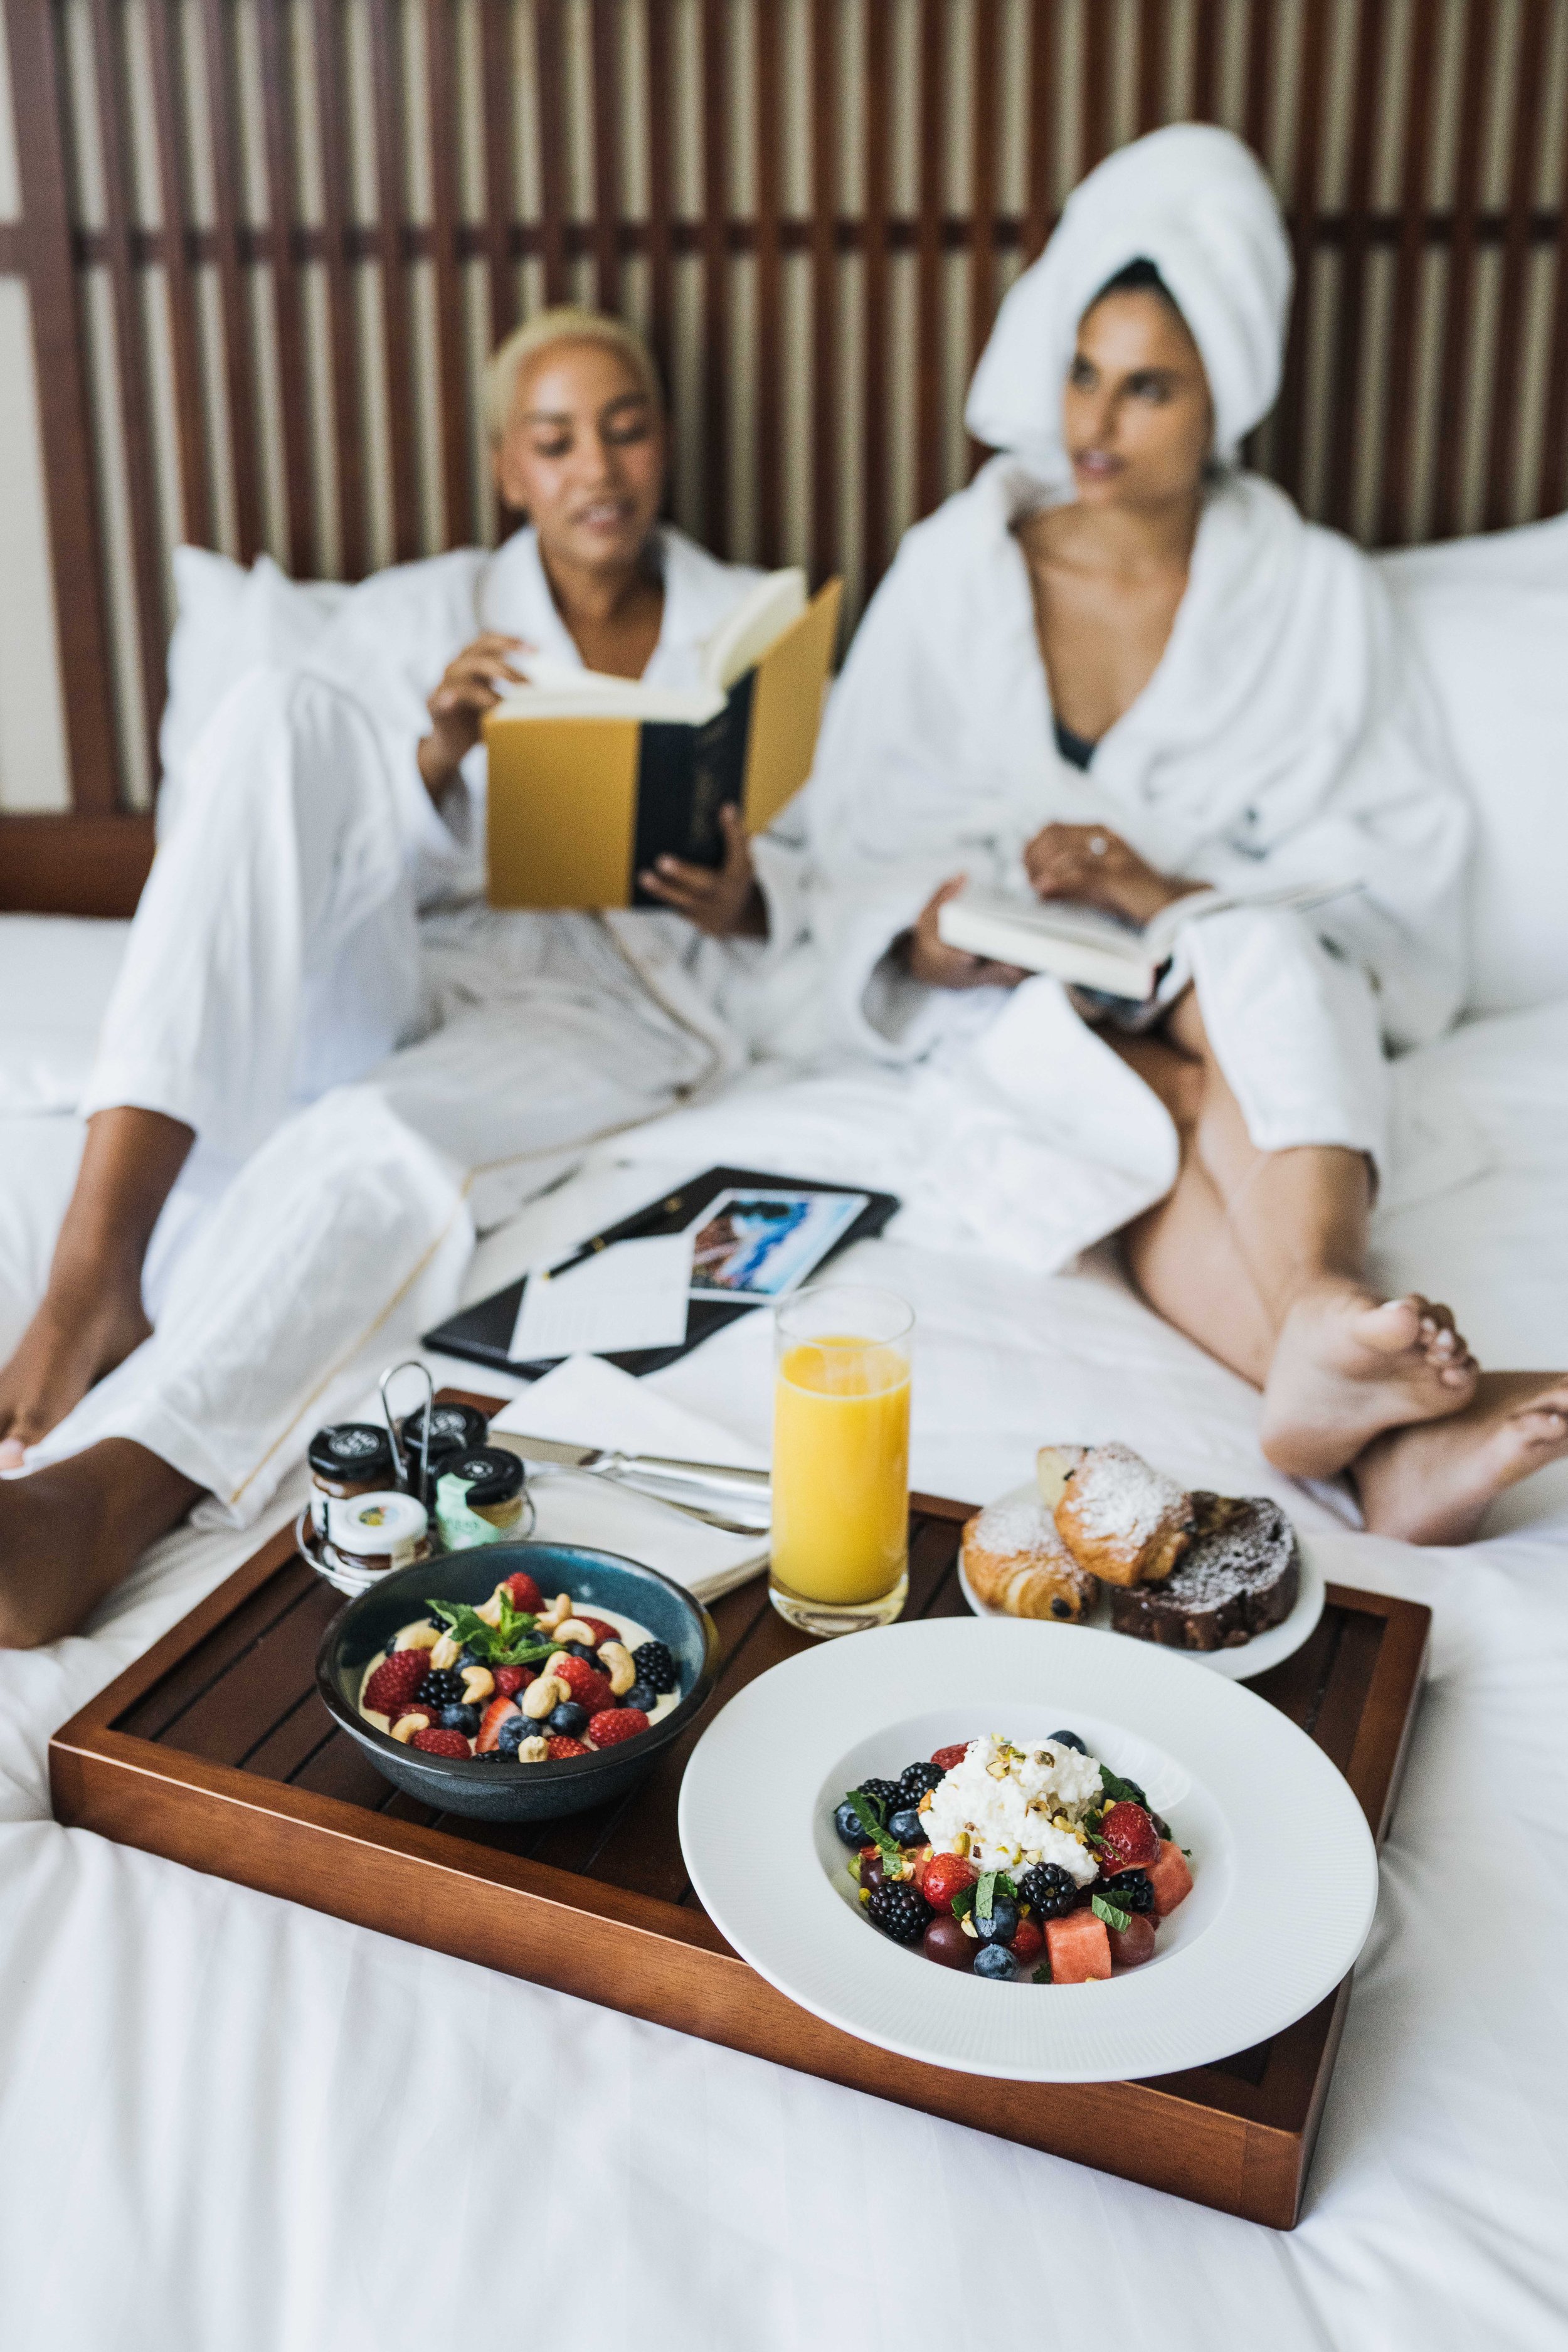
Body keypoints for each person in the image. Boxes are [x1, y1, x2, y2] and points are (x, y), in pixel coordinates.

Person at [805, 124, 1567, 1545]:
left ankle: (1324, 1325)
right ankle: (1360, 1418)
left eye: (1147, 387)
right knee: (1128, 1114)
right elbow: (843, 842)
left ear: (1225, 395)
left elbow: (1396, 870)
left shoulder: (1313, 591)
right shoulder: (954, 569)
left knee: (1255, 950)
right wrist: (925, 931)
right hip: (1036, 1005)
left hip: (1235, 986)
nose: (1096, 420)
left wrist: (1166, 891)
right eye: (1083, 373)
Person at [0, 309, 808, 1646]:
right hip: (410, 956)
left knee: (371, 1136)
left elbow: (831, 874)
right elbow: (320, 839)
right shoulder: (421, 614)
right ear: (510, 469)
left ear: (663, 444)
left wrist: (746, 896)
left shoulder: (748, 629)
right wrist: (433, 763)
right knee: (275, 711)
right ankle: (95, 1269)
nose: (595, 468)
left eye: (624, 427)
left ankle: (109, 1491)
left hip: (604, 997)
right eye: (555, 442)